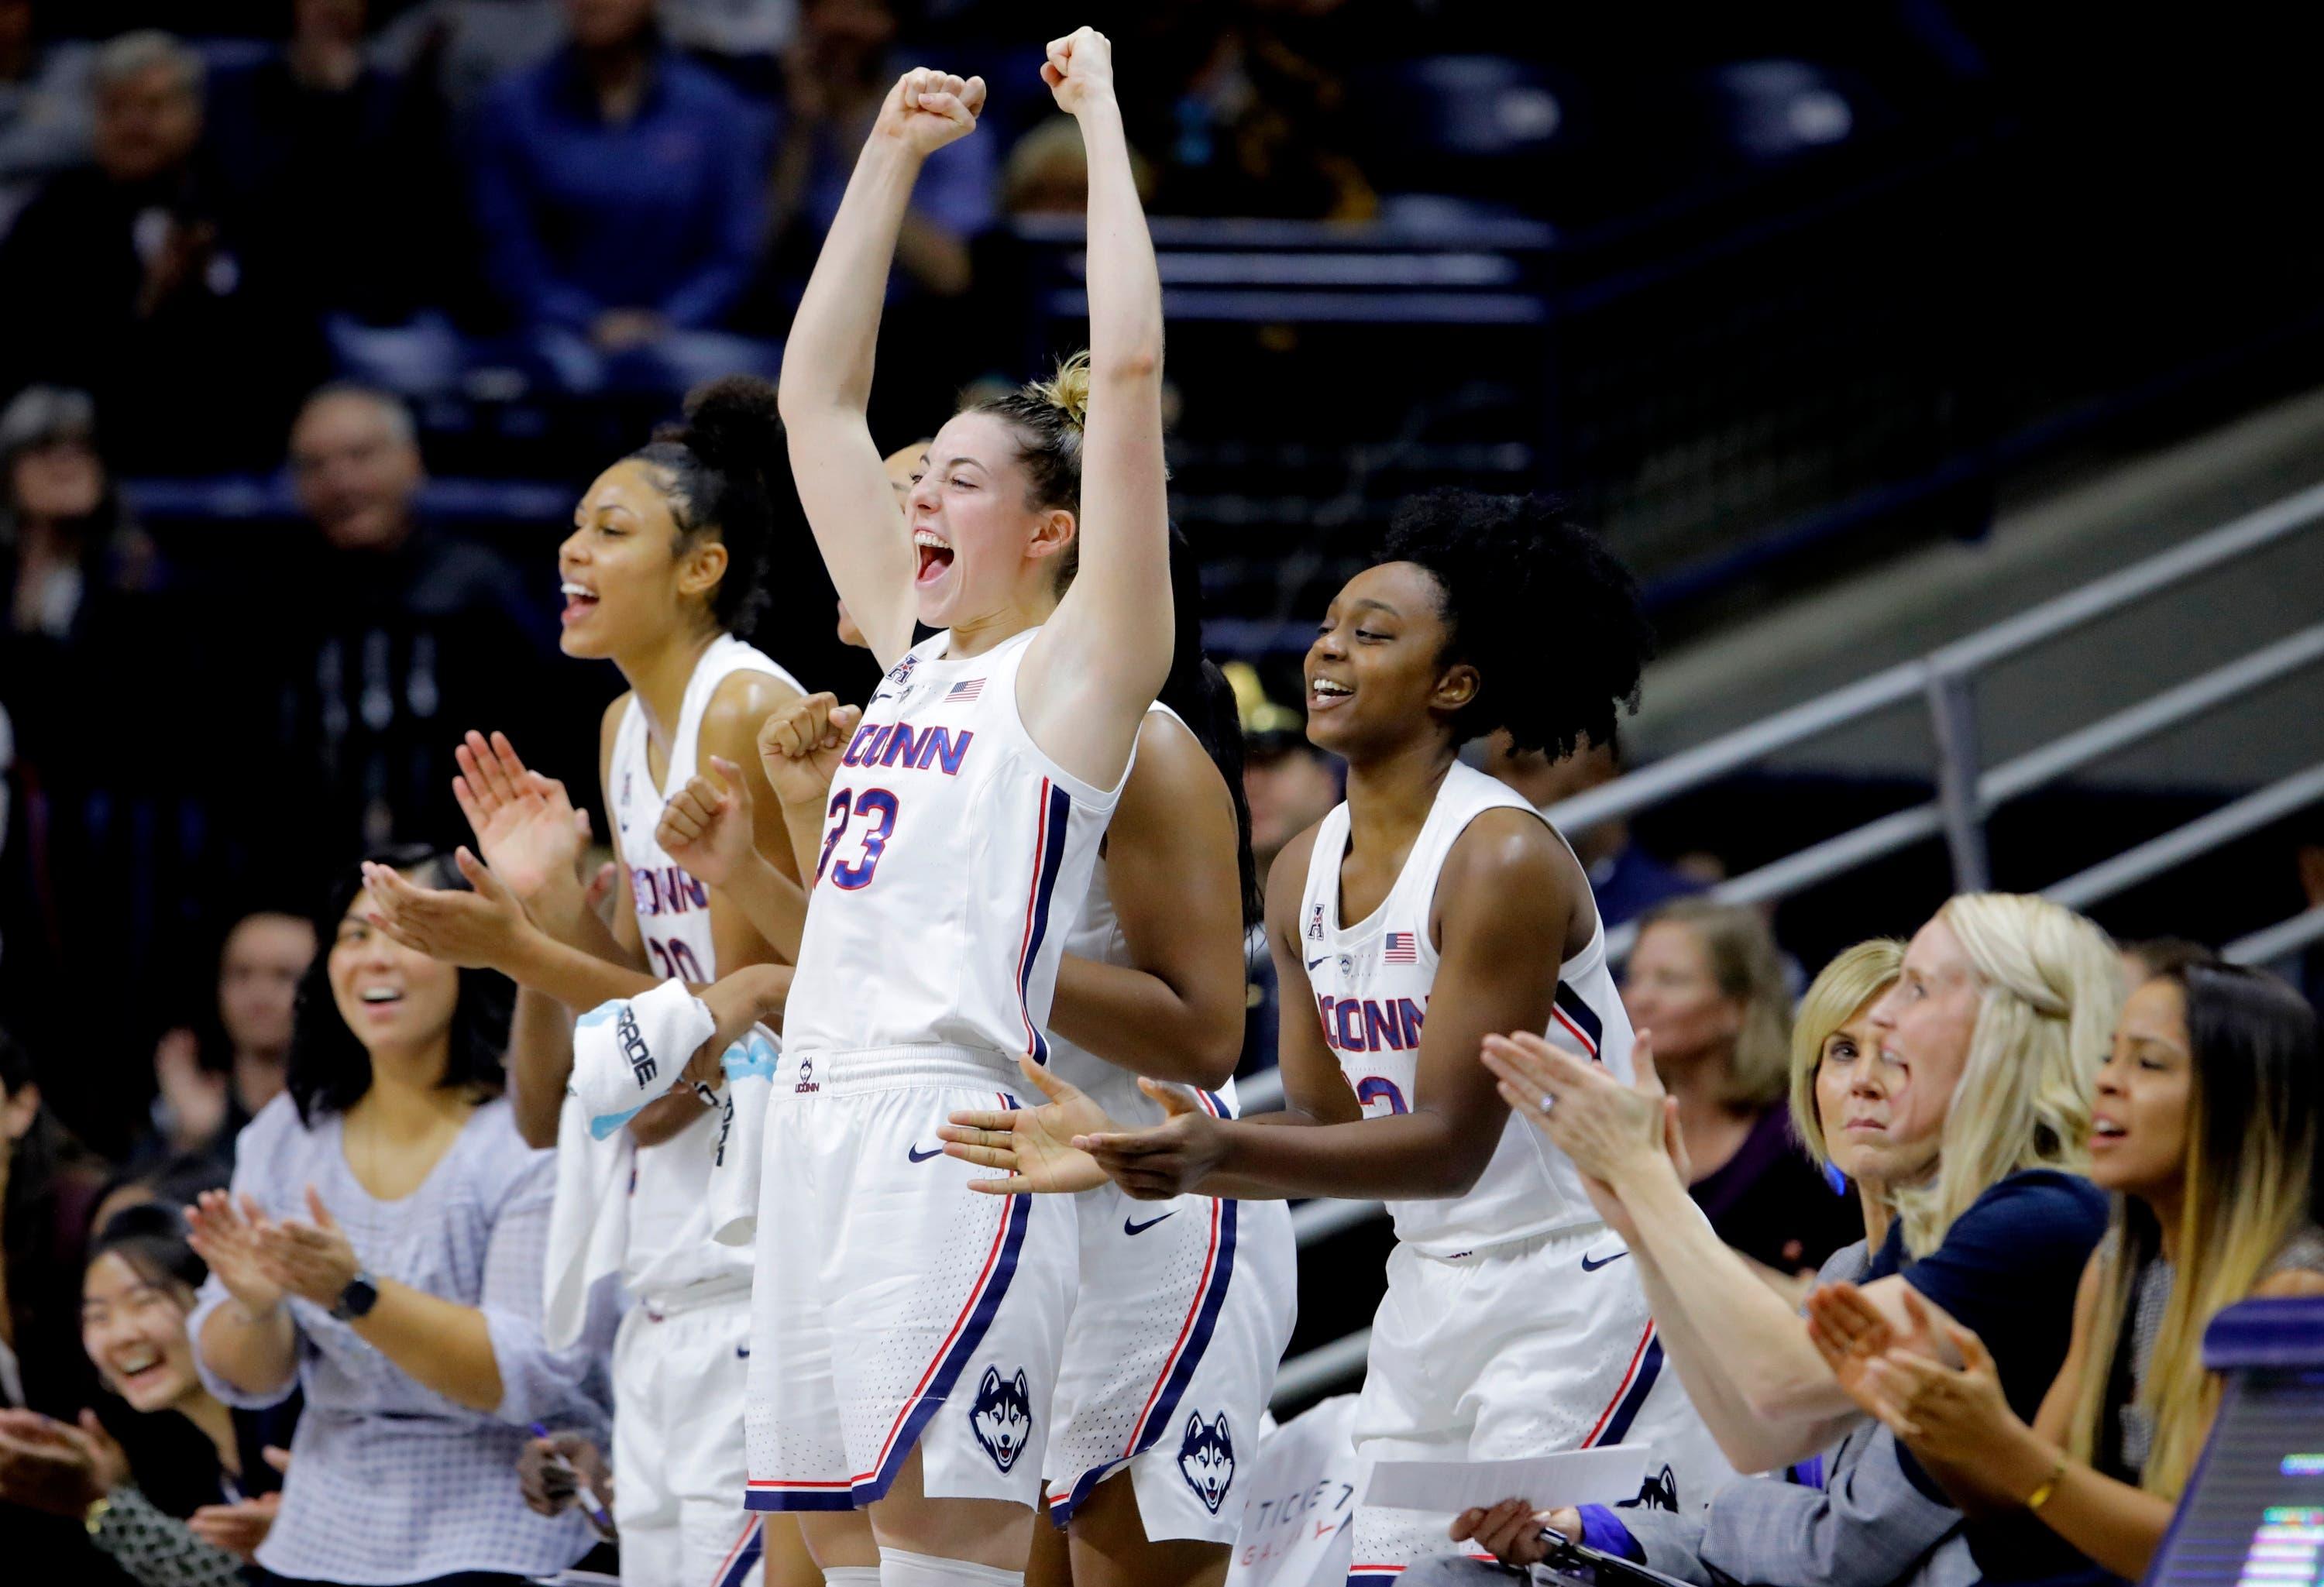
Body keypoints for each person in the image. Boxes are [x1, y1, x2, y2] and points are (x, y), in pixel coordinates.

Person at [970, 486, 1727, 1584]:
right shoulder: (1298, 871)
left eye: (1373, 635)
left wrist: (1215, 1155)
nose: (1329, 650)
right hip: (1426, 1282)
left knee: (1521, 1575)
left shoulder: (1501, 857)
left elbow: (1445, 1143)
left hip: (1579, 1276)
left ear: (1454, 685)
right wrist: (1123, 1151)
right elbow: (1325, 1128)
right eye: (1329, 626)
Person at [740, 32, 1173, 1587]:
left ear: (1056, 530)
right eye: (926, 479)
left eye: (967, 481)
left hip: (950, 1120)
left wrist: (1104, 118)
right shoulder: (914, 654)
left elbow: (1123, 375)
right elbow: (817, 400)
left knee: (944, 1557)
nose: (920, 496)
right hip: (812, 1116)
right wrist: (885, 155)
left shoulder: (1079, 670)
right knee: (824, 1546)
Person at [354, 375, 810, 1587]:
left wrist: (512, 948)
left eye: (613, 528)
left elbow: (736, 1041)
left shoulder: (743, 710)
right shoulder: (622, 731)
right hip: (672, 1238)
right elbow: (595, 1076)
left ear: (700, 566)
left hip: (772, 1226)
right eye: (574, 524)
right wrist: (547, 905)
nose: (573, 546)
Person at [1480, 892, 2121, 1583]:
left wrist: (1650, 1183)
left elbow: (1801, 1437)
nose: (1887, 1019)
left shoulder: (2043, 1214)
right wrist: (1641, 1223)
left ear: (2006, 1024)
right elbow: (1762, 1434)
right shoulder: (1917, 1240)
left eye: (1918, 988)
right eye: (1841, 1050)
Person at [1414, 941, 1982, 1587]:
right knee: (1445, 1575)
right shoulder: (1846, 1268)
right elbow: (1755, 1453)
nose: (1865, 1081)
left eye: (1899, 1057)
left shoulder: (1974, 1265)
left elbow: (1838, 1551)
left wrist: (1653, 1189)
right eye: (1844, 1051)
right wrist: (1585, 1528)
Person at [1810, 958, 2324, 1583]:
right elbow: (2029, 1530)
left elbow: (2224, 1555)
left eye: (2149, 1063)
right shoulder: (2112, 1269)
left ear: (2245, 1102)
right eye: (2110, 1057)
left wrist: (2005, 1446)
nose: (2108, 1081)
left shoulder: (2295, 1296)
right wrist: (1928, 1422)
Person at [183, 846, 610, 1584]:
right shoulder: (288, 1133)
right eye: (355, 935)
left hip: (500, 1521)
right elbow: (249, 1378)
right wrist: (254, 1309)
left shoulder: (526, 1134)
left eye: (409, 933)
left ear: (473, 955)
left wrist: (354, 1292)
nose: (377, 957)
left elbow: (519, 1375)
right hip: (323, 1525)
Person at [237, 383, 576, 868]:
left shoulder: (483, 588)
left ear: (412, 462)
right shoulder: (272, 604)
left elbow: (547, 738)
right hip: (312, 874)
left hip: (470, 864)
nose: (340, 481)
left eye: (360, 456)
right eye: (314, 466)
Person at [0, 30, 304, 471]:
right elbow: (30, 367)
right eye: (115, 109)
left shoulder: (251, 209)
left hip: (247, 457)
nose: (133, 125)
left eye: (153, 107)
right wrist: (148, 307)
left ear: (196, 113)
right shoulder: (49, 224)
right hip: (99, 461)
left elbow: (292, 346)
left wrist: (209, 302)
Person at [469, 0, 777, 393]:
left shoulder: (712, 108)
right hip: (553, 334)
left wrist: (667, 322)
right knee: (564, 370)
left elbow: (734, 250)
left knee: (749, 376)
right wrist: (586, 320)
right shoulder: (513, 106)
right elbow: (507, 249)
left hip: (684, 334)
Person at [0, 1204, 294, 1585]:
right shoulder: (192, 1457)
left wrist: (304, 1533)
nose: (122, 1335)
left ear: (215, 1305)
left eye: (145, 1303)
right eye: (99, 1316)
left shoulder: (296, 1427)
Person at [1623, 899, 1859, 1286]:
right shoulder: (1629, 1122)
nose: (1638, 998)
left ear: (1739, 1006)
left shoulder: (1801, 1132)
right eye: (1633, 978)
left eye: (1669, 980)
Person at [137, 909, 318, 1170]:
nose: (260, 995)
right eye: (242, 974)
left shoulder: (347, 1113)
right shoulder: (186, 1110)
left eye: (284, 975)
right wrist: (190, 1140)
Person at [1480, 727, 1703, 929]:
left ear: (1599, 772)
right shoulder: (1481, 911)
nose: (1499, 791)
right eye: (1489, 775)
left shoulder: (1680, 914)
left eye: (1525, 770)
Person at [0, 0, 95, 235]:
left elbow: (88, 137)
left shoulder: (77, 63)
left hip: (63, 220)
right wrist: (26, 107)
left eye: (8, 7)